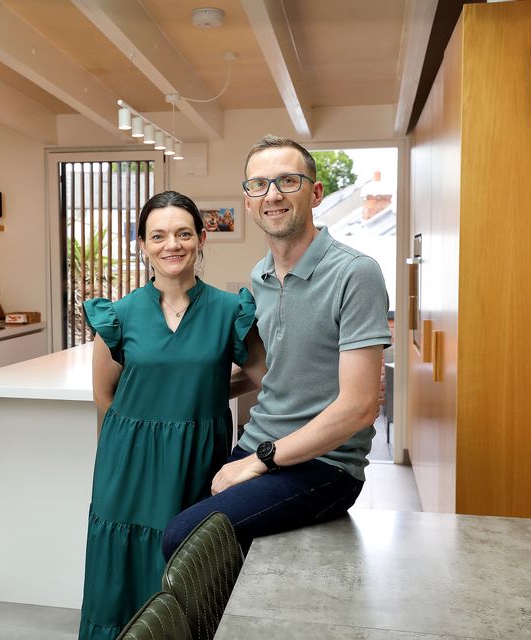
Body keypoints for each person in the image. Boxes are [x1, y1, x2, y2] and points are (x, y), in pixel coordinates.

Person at [162, 134, 392, 557]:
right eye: (259, 185)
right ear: (248, 202)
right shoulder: (259, 277)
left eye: (288, 181)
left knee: (184, 538)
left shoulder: (356, 273)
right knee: (170, 510)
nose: (273, 195)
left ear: (316, 192)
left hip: (325, 464)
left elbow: (359, 406)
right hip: (261, 442)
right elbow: (273, 374)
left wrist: (257, 461)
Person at [78, 191, 265, 640]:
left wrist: (204, 398)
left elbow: (263, 378)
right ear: (142, 244)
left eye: (183, 233)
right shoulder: (117, 315)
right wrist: (132, 446)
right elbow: (105, 394)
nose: (172, 245)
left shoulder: (230, 310)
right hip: (129, 461)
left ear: (201, 239)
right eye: (158, 235)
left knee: (185, 564)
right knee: (122, 570)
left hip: (197, 460)